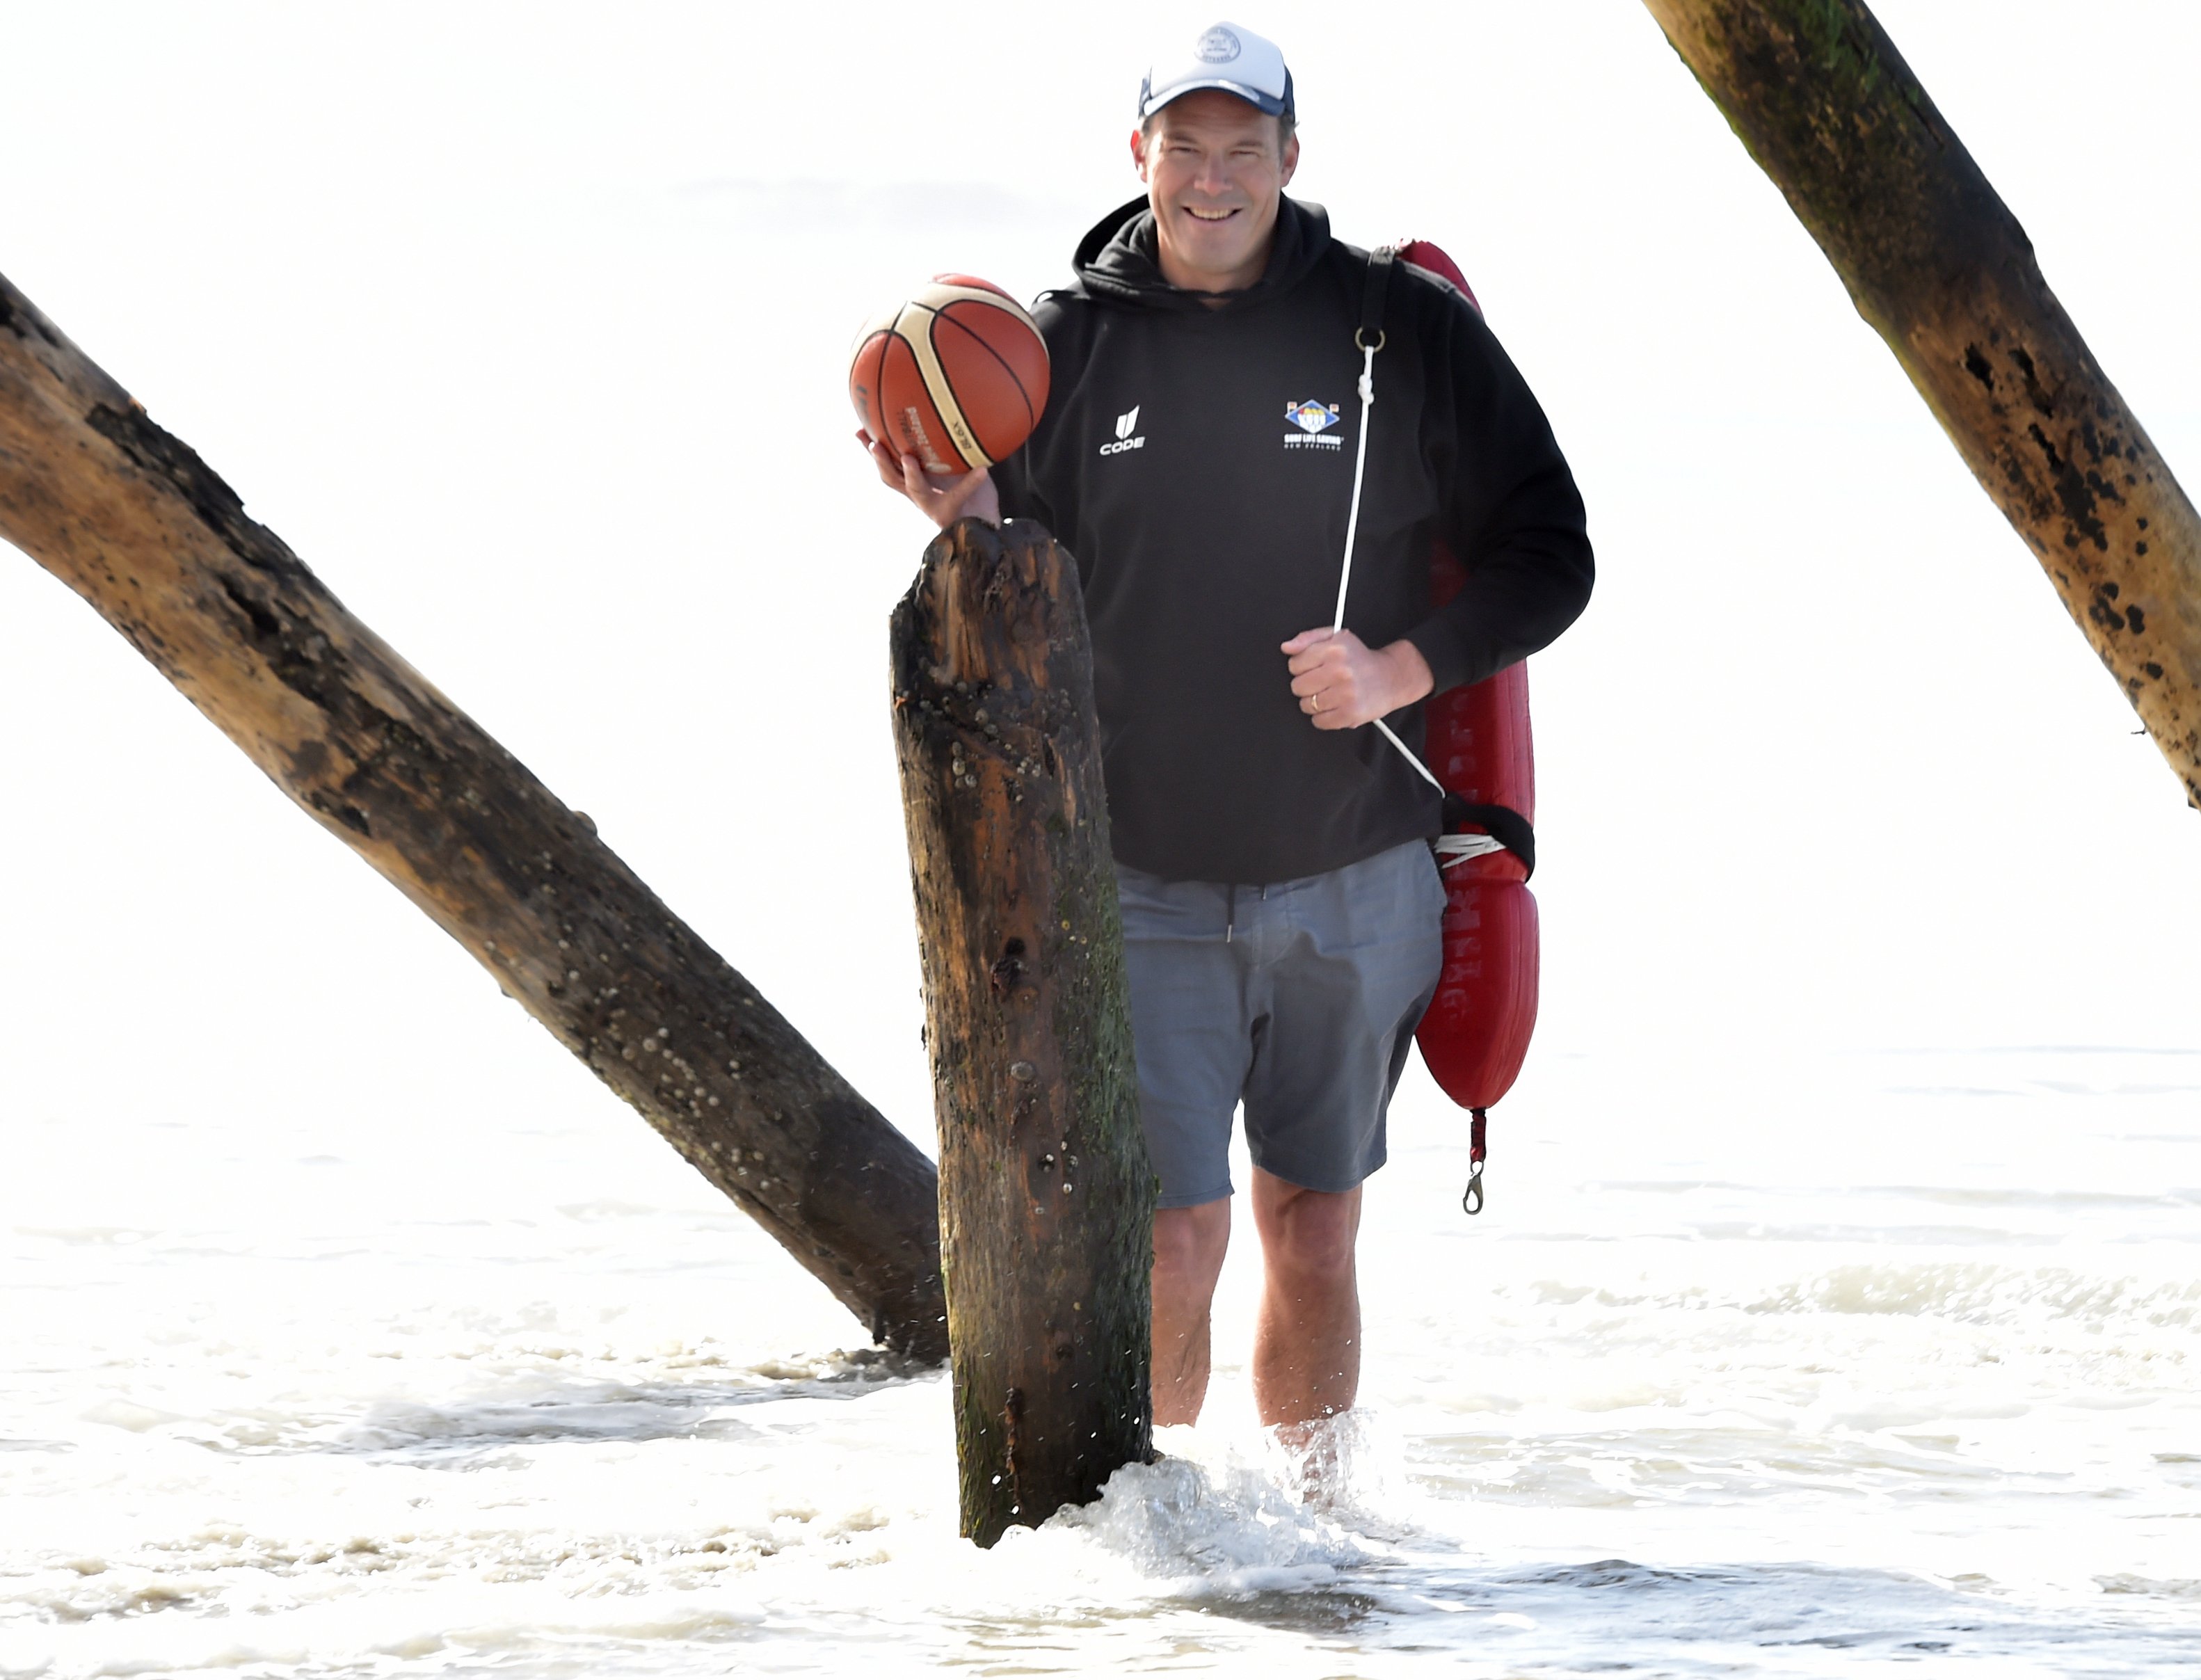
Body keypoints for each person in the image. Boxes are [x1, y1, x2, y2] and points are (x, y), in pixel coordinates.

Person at [863, 22, 1591, 1432]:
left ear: (1288, 158)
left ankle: (1315, 1551)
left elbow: (1551, 551)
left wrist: (1401, 666)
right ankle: (1167, 1573)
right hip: (1139, 883)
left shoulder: (1398, 325)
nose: (1210, 179)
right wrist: (964, 525)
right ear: (1137, 155)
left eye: (1240, 148)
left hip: (1359, 873)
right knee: (1167, 1238)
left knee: (1314, 1228)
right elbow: (1016, 574)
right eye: (1182, 147)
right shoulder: (1052, 346)